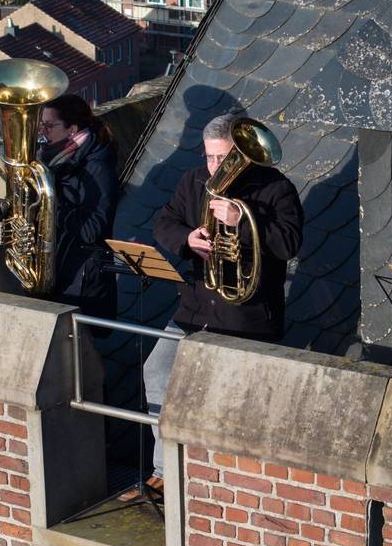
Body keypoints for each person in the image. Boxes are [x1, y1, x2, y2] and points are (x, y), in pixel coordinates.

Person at [126, 113, 304, 501]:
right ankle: (164, 472)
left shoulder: (276, 188)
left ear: (243, 153)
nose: (215, 166)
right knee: (156, 371)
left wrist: (243, 221)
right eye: (209, 157)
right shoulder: (193, 181)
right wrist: (188, 238)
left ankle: (219, 480)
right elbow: (164, 222)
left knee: (227, 399)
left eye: (223, 158)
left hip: (245, 316)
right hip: (195, 307)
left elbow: (289, 244)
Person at [0, 92, 119, 318]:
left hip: (80, 280)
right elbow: (28, 199)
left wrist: (50, 203)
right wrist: (4, 207)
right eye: (41, 125)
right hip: (52, 268)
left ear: (72, 129)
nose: (42, 131)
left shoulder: (98, 167)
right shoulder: (48, 158)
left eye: (49, 126)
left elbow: (93, 231)